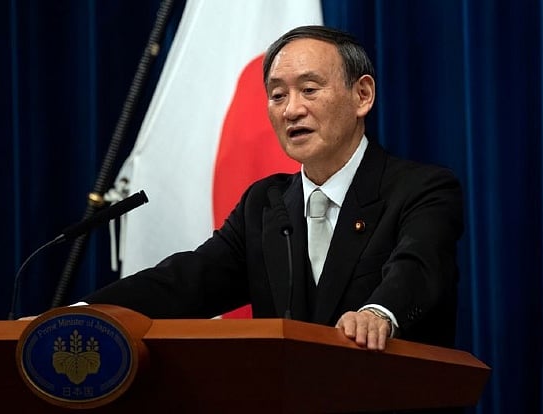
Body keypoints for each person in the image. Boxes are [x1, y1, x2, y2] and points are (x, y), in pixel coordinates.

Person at [83, 25, 463, 353]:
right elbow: (185, 282)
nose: (291, 110)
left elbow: (418, 267)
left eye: (309, 89)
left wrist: (378, 313)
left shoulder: (422, 189)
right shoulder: (264, 204)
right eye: (278, 95)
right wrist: (84, 313)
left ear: (362, 95)